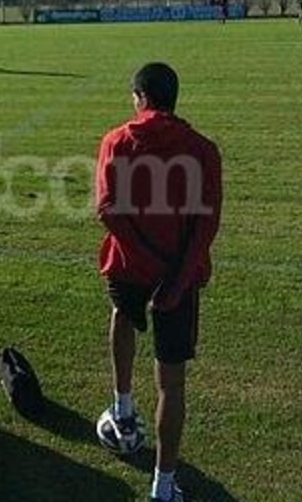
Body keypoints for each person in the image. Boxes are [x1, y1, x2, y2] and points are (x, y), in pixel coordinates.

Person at [94, 62, 222, 502]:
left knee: (122, 317)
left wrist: (145, 258)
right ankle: (163, 487)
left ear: (141, 97)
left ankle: (123, 408)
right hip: (178, 278)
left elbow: (108, 208)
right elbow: (206, 225)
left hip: (129, 266)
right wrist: (176, 276)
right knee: (172, 382)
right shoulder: (203, 150)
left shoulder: (117, 140)